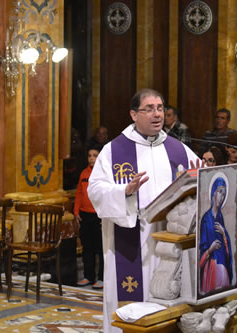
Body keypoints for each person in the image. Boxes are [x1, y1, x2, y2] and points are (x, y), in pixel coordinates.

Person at [87, 88, 200, 333]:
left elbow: (199, 179)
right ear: (133, 115)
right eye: (149, 109)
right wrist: (124, 192)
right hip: (130, 238)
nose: (157, 114)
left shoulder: (178, 149)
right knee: (131, 301)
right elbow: (95, 190)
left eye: (160, 108)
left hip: (169, 241)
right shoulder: (114, 150)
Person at [74, 145, 104, 290]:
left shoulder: (104, 173)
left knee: (101, 248)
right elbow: (79, 193)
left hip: (99, 216)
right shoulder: (83, 173)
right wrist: (76, 211)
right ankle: (88, 276)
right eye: (90, 155)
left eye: (95, 155)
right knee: (87, 248)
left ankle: (102, 278)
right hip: (85, 215)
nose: (92, 158)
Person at [199, 175, 233, 295]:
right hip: (210, 266)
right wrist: (210, 249)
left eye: (224, 194)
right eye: (219, 192)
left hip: (222, 264)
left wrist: (224, 235)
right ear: (213, 192)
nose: (221, 197)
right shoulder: (206, 218)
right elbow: (201, 247)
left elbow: (226, 244)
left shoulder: (220, 217)